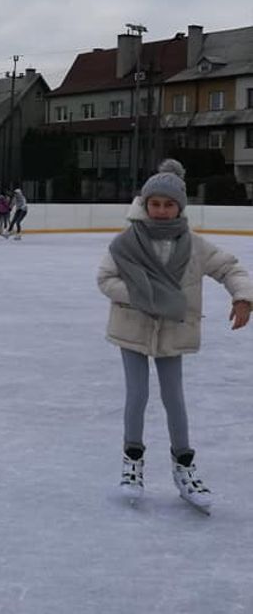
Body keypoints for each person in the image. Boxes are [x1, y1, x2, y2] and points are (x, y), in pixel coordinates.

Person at [97, 159, 253, 513]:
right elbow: (105, 279)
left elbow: (229, 267)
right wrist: (142, 295)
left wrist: (243, 296)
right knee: (136, 396)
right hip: (132, 327)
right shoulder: (126, 242)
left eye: (169, 205)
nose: (162, 211)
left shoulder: (194, 246)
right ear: (145, 203)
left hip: (172, 331)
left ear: (180, 207)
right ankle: (132, 463)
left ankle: (184, 467)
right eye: (156, 204)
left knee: (174, 399)